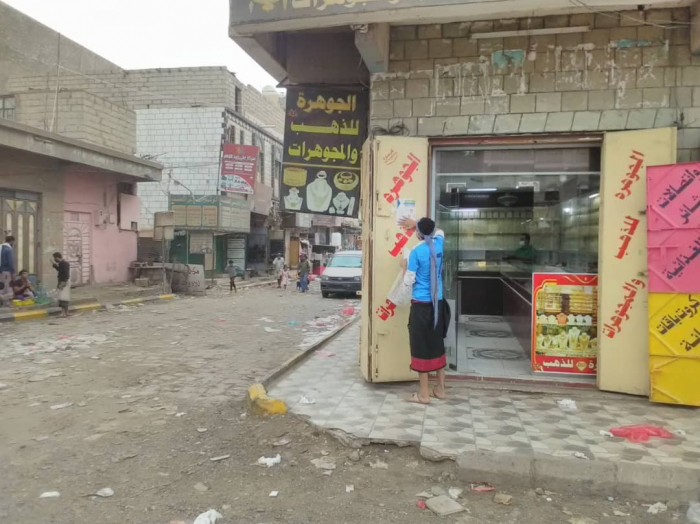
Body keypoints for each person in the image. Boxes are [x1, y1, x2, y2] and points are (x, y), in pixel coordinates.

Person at [399, 217, 449, 404]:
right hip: (438, 303)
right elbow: (439, 231)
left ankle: (424, 395)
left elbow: (408, 282)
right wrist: (417, 222)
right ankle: (441, 389)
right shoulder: (439, 243)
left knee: (421, 347)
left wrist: (403, 267)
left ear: (418, 233)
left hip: (421, 306)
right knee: (437, 343)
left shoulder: (416, 251)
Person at [52, 252, 71, 318]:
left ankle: (63, 313)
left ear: (57, 257)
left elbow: (66, 274)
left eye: (54, 258)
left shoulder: (63, 263)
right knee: (65, 297)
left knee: (62, 297)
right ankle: (67, 312)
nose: (54, 259)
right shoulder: (63, 263)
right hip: (64, 281)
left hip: (63, 281)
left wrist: (63, 282)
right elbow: (60, 270)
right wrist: (55, 265)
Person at [0, 235, 15, 306]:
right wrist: (13, 273)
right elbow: (10, 262)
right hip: (6, 271)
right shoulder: (8, 250)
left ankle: (2, 302)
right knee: (7, 286)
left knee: (1, 287)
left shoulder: (1, 247)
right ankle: (7, 302)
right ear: (11, 241)